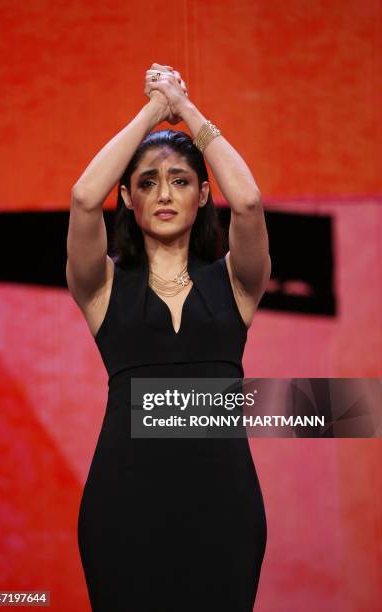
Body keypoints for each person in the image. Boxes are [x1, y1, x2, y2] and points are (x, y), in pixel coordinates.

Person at [66, 62, 271, 612]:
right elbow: (85, 198)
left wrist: (188, 112)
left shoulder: (235, 282)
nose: (164, 193)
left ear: (203, 194)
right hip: (124, 507)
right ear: (129, 199)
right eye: (147, 183)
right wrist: (154, 110)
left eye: (179, 180)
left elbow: (248, 202)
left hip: (224, 508)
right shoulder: (103, 287)